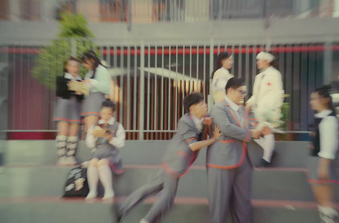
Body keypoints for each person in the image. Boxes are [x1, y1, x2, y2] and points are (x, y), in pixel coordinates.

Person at [117, 93, 220, 223]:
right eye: (202, 104)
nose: (206, 106)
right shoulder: (185, 121)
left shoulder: (197, 119)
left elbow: (200, 124)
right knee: (167, 197)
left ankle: (123, 208)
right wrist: (213, 140)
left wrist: (205, 121)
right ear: (193, 108)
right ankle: (146, 220)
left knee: (152, 188)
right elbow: (193, 146)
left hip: (175, 161)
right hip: (175, 162)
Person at [207, 77, 268, 223]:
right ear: (230, 90)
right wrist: (250, 134)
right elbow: (226, 128)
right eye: (241, 91)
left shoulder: (243, 109)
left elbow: (251, 125)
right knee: (219, 206)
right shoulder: (218, 108)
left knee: (243, 205)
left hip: (243, 161)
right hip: (221, 162)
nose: (243, 95)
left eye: (245, 92)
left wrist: (259, 128)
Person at [308, 85, 339, 223]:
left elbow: (329, 147)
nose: (311, 102)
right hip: (316, 161)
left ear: (325, 100)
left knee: (325, 202)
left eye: (314, 99)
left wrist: (323, 167)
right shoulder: (320, 118)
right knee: (321, 201)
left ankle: (331, 219)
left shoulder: (329, 120)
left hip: (323, 163)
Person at [246, 51, 284, 167]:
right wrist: (248, 104)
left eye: (259, 60)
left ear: (266, 61)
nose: (257, 62)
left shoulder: (275, 74)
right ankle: (269, 151)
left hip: (270, 109)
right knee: (254, 133)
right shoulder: (258, 77)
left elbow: (279, 92)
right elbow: (255, 95)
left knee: (266, 130)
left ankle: (266, 159)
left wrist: (276, 108)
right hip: (259, 110)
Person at [85, 100, 125, 200]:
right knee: (93, 162)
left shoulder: (117, 125)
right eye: (103, 113)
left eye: (109, 114)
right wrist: (94, 136)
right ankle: (92, 190)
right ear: (100, 112)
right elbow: (89, 144)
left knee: (102, 162)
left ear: (112, 113)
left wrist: (111, 139)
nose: (106, 116)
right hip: (97, 153)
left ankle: (109, 190)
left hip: (111, 154)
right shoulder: (94, 126)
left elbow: (121, 143)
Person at [54, 57, 84, 165]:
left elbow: (81, 97)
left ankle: (71, 156)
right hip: (64, 107)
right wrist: (72, 88)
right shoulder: (61, 79)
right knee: (63, 131)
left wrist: (80, 93)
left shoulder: (81, 80)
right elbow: (60, 92)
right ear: (67, 67)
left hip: (75, 107)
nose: (74, 68)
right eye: (71, 66)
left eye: (76, 66)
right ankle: (62, 157)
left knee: (73, 133)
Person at [81, 50, 112, 136]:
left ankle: (96, 148)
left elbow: (106, 88)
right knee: (89, 130)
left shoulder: (102, 70)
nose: (84, 65)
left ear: (91, 60)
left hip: (95, 101)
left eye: (85, 63)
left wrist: (91, 82)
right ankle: (94, 147)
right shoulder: (90, 72)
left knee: (93, 130)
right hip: (89, 101)